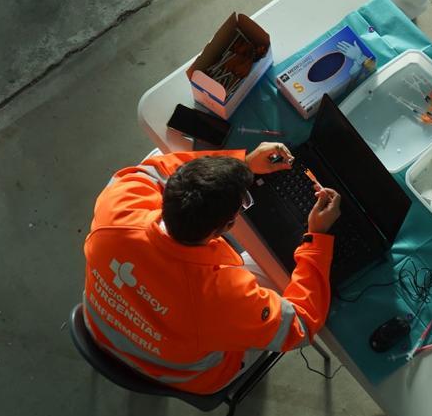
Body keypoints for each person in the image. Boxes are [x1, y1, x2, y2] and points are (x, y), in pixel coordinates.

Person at [81, 143, 340, 394]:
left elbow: (152, 170)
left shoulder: (118, 207)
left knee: (158, 152)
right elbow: (301, 325)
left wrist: (244, 162)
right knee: (274, 271)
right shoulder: (221, 299)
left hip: (102, 329)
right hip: (184, 374)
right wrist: (316, 237)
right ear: (226, 226)